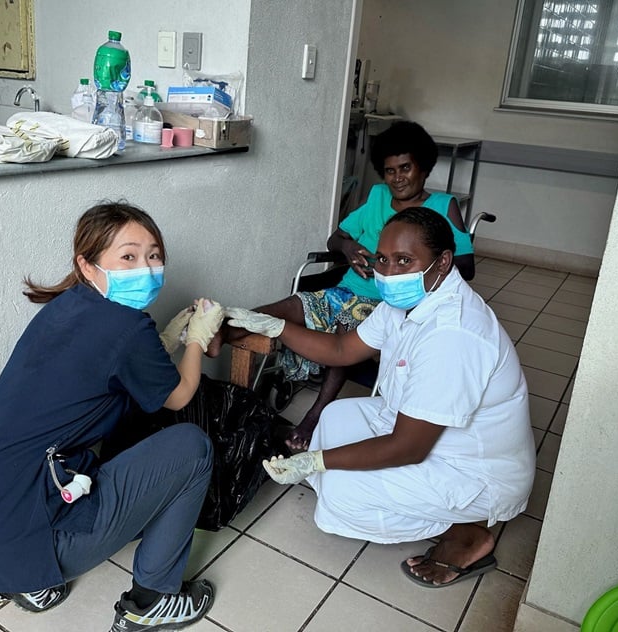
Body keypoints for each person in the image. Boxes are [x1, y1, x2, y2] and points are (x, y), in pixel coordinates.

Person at [225, 207, 535, 587]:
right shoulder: (407, 302)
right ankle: (421, 505)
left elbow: (408, 448)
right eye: (382, 260)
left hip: (473, 469)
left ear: (442, 262)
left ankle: (465, 532)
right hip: (433, 435)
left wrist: (316, 461)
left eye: (404, 261)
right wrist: (276, 326)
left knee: (341, 492)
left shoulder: (454, 335)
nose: (388, 273)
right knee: (335, 416)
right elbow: (342, 349)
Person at [0, 202, 223, 631]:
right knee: (193, 448)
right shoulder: (127, 327)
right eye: (128, 256)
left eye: (154, 255)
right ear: (87, 264)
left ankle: (24, 582)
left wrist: (165, 339)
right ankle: (153, 600)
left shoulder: (66, 307)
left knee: (124, 425)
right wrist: (197, 339)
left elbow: (116, 364)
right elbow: (179, 396)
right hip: (33, 535)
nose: (146, 268)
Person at [212, 120, 475, 453]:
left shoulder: (442, 206)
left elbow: (466, 266)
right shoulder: (378, 196)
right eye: (390, 170)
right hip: (347, 290)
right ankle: (222, 332)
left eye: (405, 168)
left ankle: (314, 416)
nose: (397, 178)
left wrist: (405, 265)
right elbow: (336, 238)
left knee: (346, 325)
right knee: (293, 305)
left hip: (391, 303)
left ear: (423, 167)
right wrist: (348, 248)